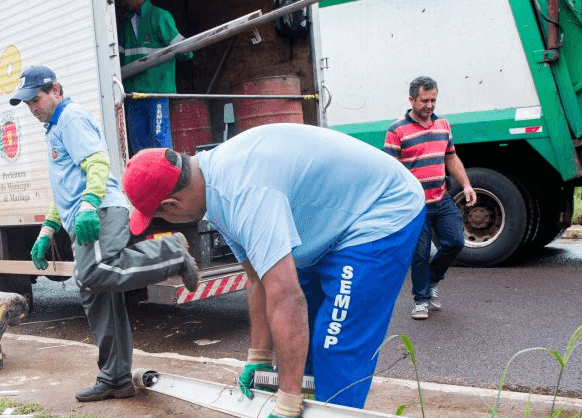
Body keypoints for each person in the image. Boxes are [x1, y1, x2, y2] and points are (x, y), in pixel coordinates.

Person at [120, 123, 426, 417]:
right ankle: (303, 399)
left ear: (171, 206)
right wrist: (260, 356)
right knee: (299, 348)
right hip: (333, 219)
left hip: (382, 210)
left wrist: (288, 400)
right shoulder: (212, 187)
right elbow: (256, 276)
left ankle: (320, 408)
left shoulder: (243, 194)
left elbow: (287, 298)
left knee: (335, 344)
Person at [9, 65, 201, 403]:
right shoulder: (53, 127)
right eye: (27, 104)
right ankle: (115, 378)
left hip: (99, 212)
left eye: (35, 99)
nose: (32, 107)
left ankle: (171, 253)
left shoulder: (70, 117)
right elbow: (64, 189)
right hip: (84, 214)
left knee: (95, 273)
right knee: (95, 293)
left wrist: (89, 204)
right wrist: (47, 230)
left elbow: (97, 163)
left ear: (56, 89)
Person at [383, 76, 477, 320]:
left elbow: (451, 158)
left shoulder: (443, 125)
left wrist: (466, 184)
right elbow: (391, 170)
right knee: (420, 254)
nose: (429, 105)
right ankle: (421, 299)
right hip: (415, 204)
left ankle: (432, 280)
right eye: (424, 100)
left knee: (455, 241)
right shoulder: (397, 131)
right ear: (411, 99)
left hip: (441, 197)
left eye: (433, 99)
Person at [119, 0, 193, 153]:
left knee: (160, 140)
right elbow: (115, 61)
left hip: (156, 92)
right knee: (139, 145)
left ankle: (167, 175)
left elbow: (185, 51)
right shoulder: (125, 25)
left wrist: (187, 50)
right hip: (134, 95)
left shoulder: (160, 17)